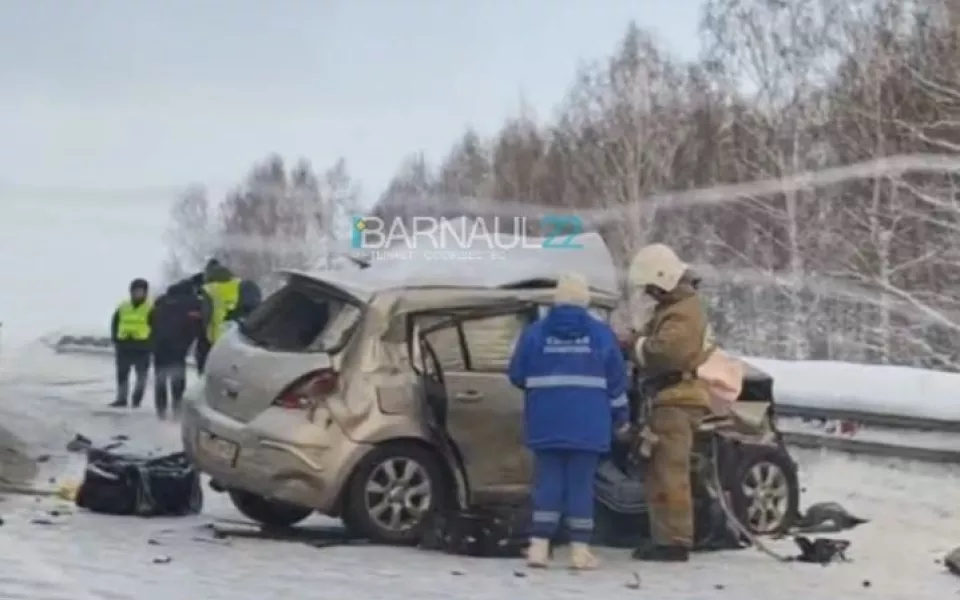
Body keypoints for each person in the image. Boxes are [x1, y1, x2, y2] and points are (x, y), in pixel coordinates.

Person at [507, 273, 628, 570]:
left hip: (546, 420)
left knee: (548, 481)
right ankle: (579, 551)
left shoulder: (535, 333)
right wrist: (621, 417)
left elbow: (516, 374)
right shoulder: (601, 334)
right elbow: (616, 382)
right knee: (580, 485)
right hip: (589, 423)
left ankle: (538, 547)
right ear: (585, 300)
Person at [626, 243, 713, 562]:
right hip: (670, 398)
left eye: (651, 287)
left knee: (669, 472)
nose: (650, 293)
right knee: (661, 470)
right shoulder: (676, 309)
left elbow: (667, 352)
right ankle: (666, 536)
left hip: (676, 400)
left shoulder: (683, 311)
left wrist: (634, 345)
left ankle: (674, 541)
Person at [149, 279, 204, 419]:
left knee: (160, 379)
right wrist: (190, 341)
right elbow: (196, 324)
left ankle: (161, 411)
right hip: (178, 347)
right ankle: (177, 411)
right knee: (177, 380)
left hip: (159, 346)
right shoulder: (191, 303)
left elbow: (151, 319)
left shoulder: (161, 301)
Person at [199, 260, 262, 367]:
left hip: (217, 340)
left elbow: (206, 317)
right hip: (241, 337)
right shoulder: (242, 284)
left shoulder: (208, 290)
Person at [109, 278, 153, 408]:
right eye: (136, 291)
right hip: (124, 345)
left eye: (141, 291)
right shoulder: (123, 307)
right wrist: (116, 340)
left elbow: (156, 326)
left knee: (141, 377)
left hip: (142, 346)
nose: (138, 293)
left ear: (145, 292)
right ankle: (121, 398)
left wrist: (152, 343)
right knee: (122, 374)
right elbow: (115, 323)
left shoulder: (150, 308)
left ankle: (136, 400)